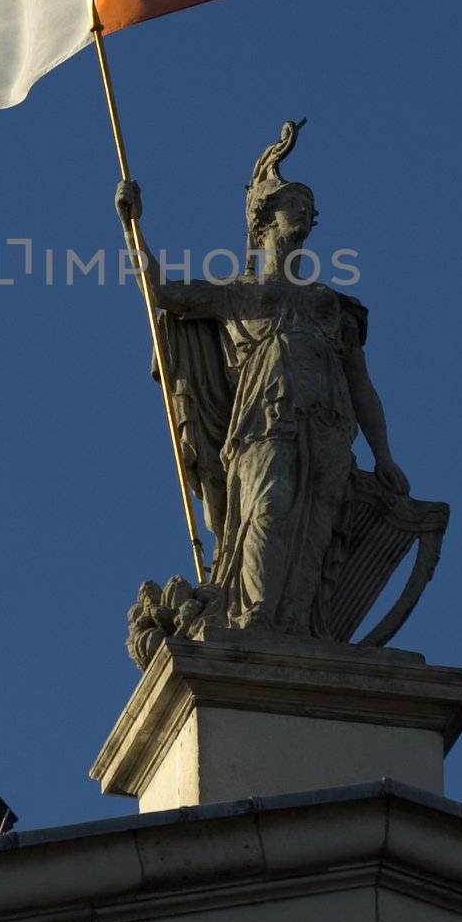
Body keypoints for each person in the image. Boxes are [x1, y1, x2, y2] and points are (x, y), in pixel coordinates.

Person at [115, 121, 410, 638]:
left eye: (307, 205)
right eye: (291, 201)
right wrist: (133, 227)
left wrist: (384, 454)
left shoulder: (331, 304)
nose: (303, 211)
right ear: (262, 218)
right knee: (267, 506)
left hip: (330, 423)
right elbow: (160, 293)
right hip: (265, 420)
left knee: (318, 520)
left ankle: (297, 624)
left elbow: (361, 383)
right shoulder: (237, 292)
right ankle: (253, 614)